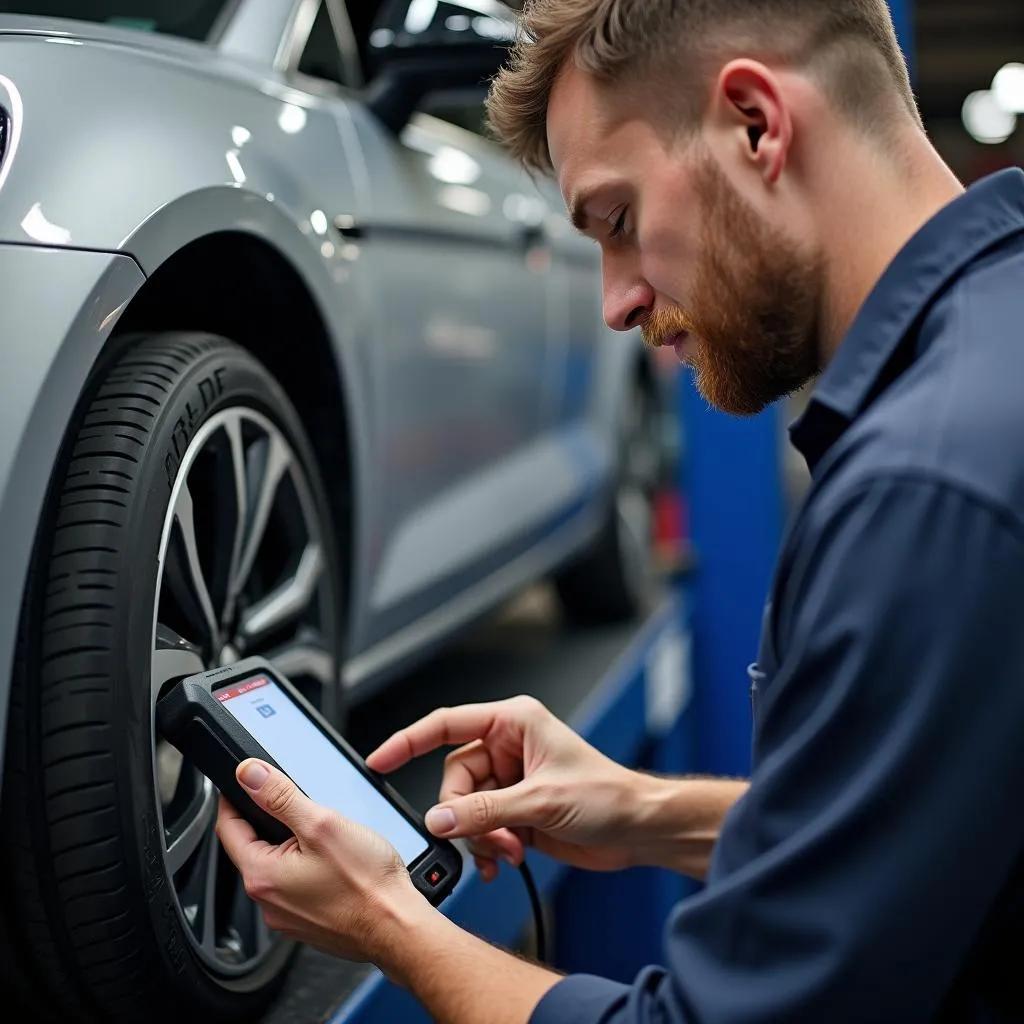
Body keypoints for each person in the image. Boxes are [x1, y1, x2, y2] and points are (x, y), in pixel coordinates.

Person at [216, 0, 1024, 1019]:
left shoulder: (926, 491)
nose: (615, 302)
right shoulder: (992, 353)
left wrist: (388, 920)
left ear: (754, 126)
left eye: (617, 221)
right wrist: (643, 811)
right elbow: (926, 829)